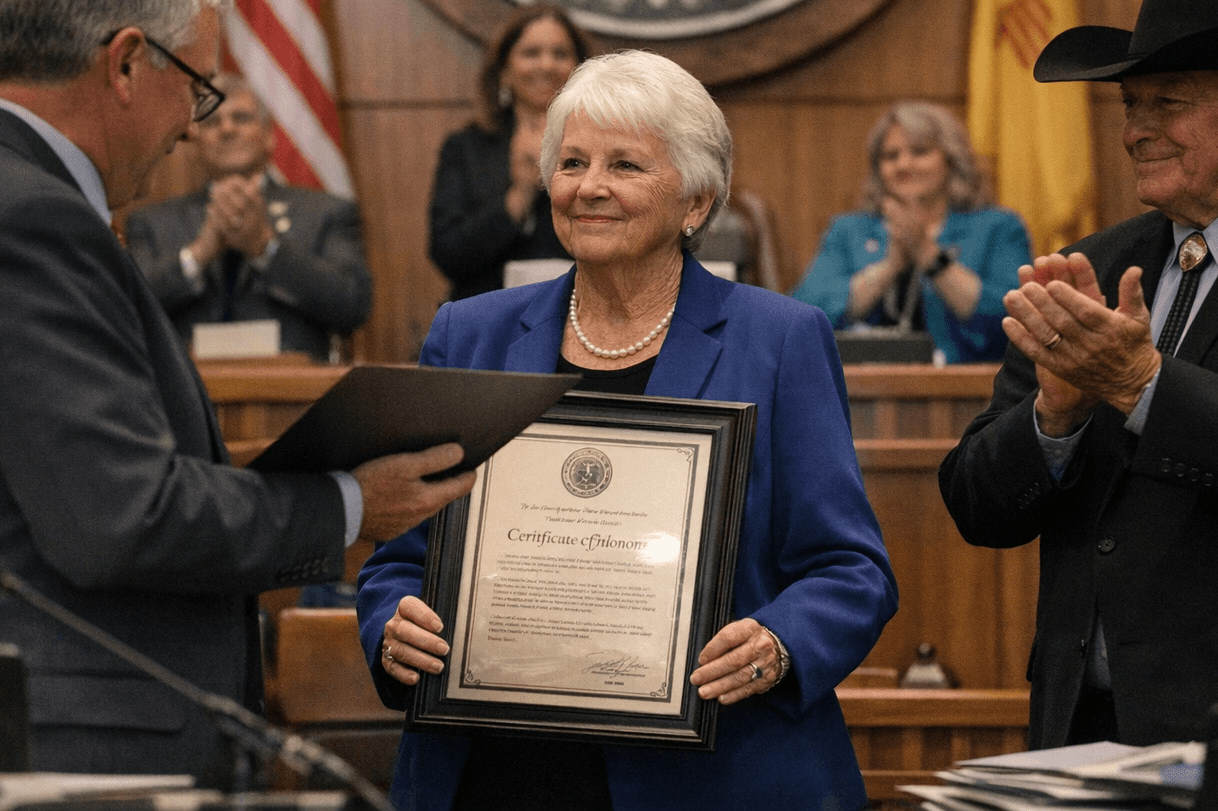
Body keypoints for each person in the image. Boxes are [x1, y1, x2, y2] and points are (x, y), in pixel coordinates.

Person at [0, 0, 475, 778]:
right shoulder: (28, 219)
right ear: (128, 62)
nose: (189, 128)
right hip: (49, 736)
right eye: (198, 89)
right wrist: (351, 505)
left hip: (16, 716)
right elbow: (124, 517)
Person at [359, 50, 898, 810]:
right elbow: (399, 555)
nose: (590, 187)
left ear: (697, 204)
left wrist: (778, 644)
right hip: (496, 771)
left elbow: (852, 571)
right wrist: (391, 625)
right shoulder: (469, 335)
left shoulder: (780, 341)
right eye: (572, 162)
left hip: (715, 775)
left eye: (626, 165)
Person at [939, 0, 1218, 749]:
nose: (1135, 129)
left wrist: (1143, 386)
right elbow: (977, 505)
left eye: (1168, 101)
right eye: (1131, 106)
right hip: (1083, 726)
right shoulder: (1090, 266)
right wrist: (1054, 417)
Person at [126, 74, 372, 362]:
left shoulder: (327, 213)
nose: (227, 129)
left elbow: (352, 306)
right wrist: (199, 253)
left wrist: (265, 246)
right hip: (184, 395)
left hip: (296, 394)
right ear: (194, 143)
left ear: (270, 138)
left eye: (241, 118)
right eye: (212, 122)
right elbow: (128, 309)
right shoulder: (151, 222)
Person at [792, 101, 1032, 363]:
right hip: (861, 390)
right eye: (890, 156)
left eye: (920, 152)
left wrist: (928, 255)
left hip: (974, 390)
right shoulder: (848, 230)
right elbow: (802, 316)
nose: (903, 165)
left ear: (951, 159)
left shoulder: (999, 227)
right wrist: (889, 267)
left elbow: (1014, 316)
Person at [429, 2, 591, 300]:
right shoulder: (466, 147)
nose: (546, 65)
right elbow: (448, 255)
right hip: (487, 316)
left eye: (560, 54)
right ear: (504, 71)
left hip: (584, 313)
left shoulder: (602, 146)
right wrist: (520, 194)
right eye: (531, 53)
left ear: (581, 68)